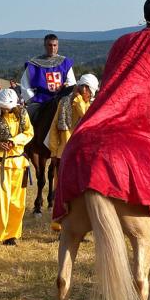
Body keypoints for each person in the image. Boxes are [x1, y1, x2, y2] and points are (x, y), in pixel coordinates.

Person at [52, 0, 150, 228]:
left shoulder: (121, 43)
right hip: (147, 124)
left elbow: (112, 85)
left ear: (146, 16)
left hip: (109, 118)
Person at [46, 73, 100, 231]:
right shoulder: (64, 102)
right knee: (61, 191)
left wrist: (78, 101)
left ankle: (79, 226)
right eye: (89, 91)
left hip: (82, 154)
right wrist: (54, 152)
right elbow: (54, 127)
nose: (90, 95)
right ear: (84, 88)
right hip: (63, 153)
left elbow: (86, 118)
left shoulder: (89, 104)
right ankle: (60, 225)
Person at [0, 88, 33, 246]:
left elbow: (29, 133)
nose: (5, 109)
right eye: (3, 107)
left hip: (18, 163)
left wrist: (15, 140)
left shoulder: (23, 113)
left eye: (7, 107)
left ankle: (11, 234)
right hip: (1, 164)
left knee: (17, 202)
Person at [21, 34, 76, 117]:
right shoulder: (33, 64)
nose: (52, 48)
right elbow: (25, 85)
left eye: (55, 45)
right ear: (45, 46)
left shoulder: (65, 63)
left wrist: (66, 86)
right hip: (40, 101)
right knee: (27, 120)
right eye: (49, 45)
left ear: (58, 46)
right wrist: (32, 99)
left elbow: (71, 83)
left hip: (61, 100)